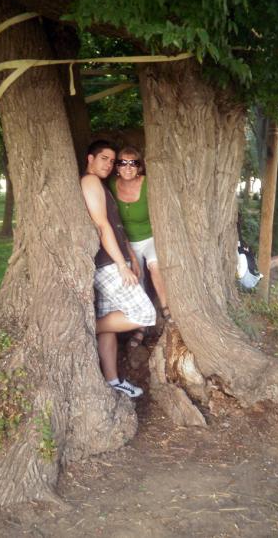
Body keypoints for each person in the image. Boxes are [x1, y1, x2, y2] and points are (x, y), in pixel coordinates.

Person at [81, 140, 156, 398]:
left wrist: (131, 256)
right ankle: (86, 327)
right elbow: (102, 226)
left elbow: (116, 226)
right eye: (104, 158)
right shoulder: (90, 181)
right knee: (145, 314)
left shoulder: (101, 185)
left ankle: (113, 381)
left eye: (112, 161)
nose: (109, 164)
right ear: (90, 159)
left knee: (110, 326)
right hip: (108, 264)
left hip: (116, 260)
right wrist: (122, 265)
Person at [109, 145, 172, 346]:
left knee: (155, 266)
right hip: (127, 242)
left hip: (150, 237)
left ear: (139, 167)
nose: (128, 167)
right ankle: (142, 326)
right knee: (137, 278)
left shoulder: (147, 183)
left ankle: (166, 309)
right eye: (123, 163)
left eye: (133, 163)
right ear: (117, 167)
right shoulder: (111, 185)